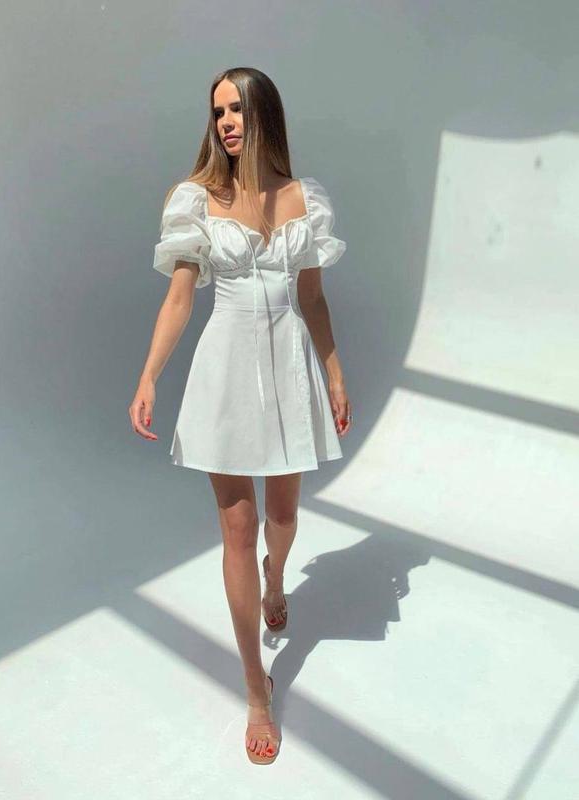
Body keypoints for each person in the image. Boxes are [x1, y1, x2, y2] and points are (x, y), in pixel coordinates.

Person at [129, 67, 353, 765]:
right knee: (237, 525)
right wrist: (149, 375)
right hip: (225, 370)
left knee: (281, 519)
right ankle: (257, 689)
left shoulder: (304, 198)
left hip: (289, 368)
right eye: (218, 111)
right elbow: (179, 299)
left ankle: (276, 577)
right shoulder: (197, 198)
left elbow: (312, 298)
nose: (226, 122)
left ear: (264, 115)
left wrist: (335, 372)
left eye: (237, 109)